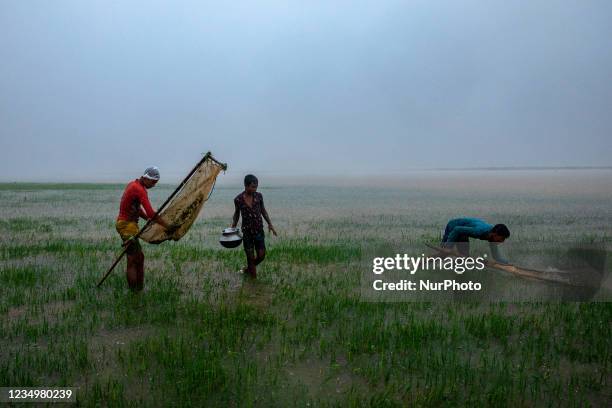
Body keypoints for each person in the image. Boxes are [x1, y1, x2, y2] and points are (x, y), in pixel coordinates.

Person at [116, 166, 168, 291]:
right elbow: (151, 212)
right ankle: (134, 292)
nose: (154, 185)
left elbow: (137, 209)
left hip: (129, 225)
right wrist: (166, 225)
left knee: (139, 257)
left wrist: (147, 220)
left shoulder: (133, 185)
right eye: (153, 182)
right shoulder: (139, 189)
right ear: (146, 178)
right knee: (133, 259)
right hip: (126, 226)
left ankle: (138, 289)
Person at [231, 174, 277, 278]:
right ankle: (253, 283)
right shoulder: (238, 199)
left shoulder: (259, 196)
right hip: (247, 232)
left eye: (256, 186)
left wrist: (270, 224)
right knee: (250, 258)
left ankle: (247, 269)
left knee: (261, 256)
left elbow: (263, 211)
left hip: (259, 231)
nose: (254, 189)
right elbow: (237, 214)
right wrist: (233, 226)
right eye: (252, 187)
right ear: (246, 186)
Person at [441, 217, 510, 264]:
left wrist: (507, 263)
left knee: (464, 257)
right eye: (502, 238)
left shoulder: (492, 238)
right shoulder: (479, 231)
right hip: (453, 226)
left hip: (462, 233)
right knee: (445, 251)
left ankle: (451, 263)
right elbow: (456, 229)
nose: (502, 241)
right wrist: (448, 246)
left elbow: (496, 257)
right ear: (495, 234)